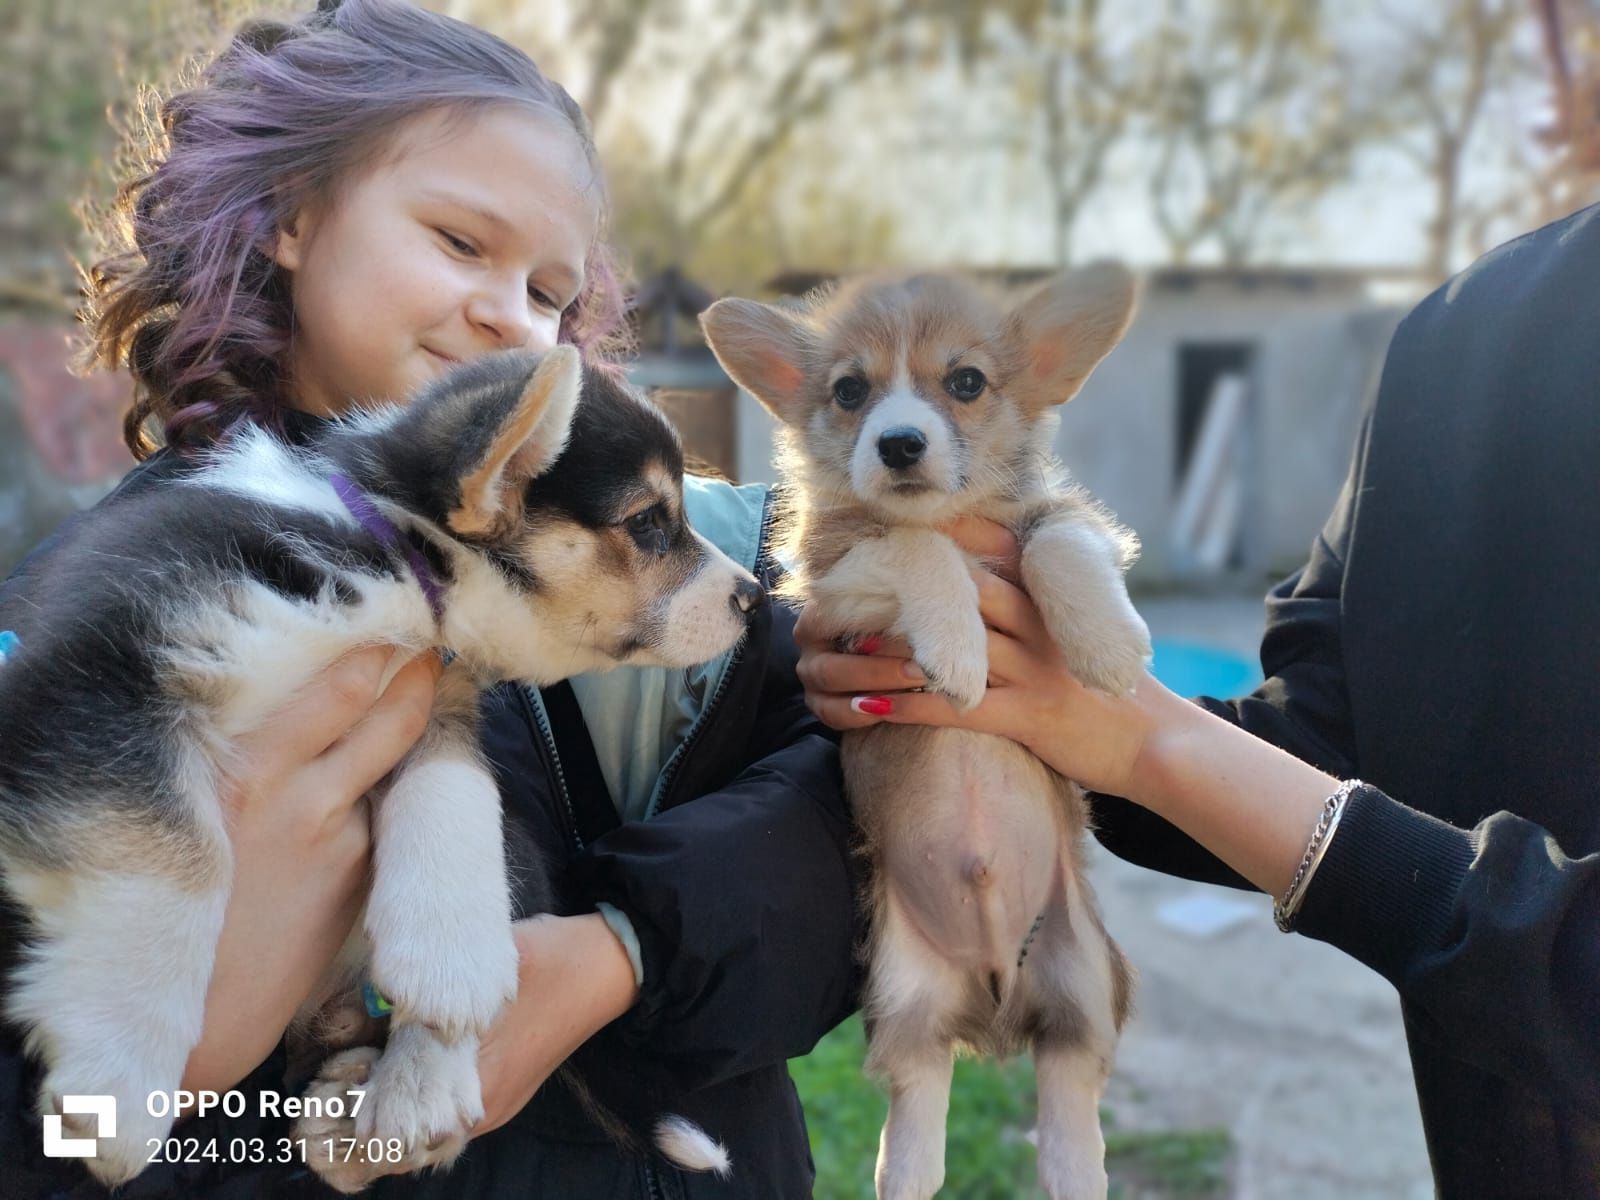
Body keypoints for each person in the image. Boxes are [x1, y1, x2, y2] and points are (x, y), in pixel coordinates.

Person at [0, 2, 859, 1196]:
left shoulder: (666, 555)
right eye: (462, 243)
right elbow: (57, 1138)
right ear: (293, 216)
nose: (514, 313)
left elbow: (863, 812)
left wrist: (617, 952)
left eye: (552, 292)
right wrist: (192, 1049)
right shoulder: (91, 602)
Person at [796, 202, 1600, 1198]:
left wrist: (1125, 716)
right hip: (1497, 1153)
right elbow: (1316, 721)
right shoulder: (1455, 338)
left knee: (1074, 1002)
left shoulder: (1459, 330)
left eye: (962, 383)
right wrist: (1096, 727)